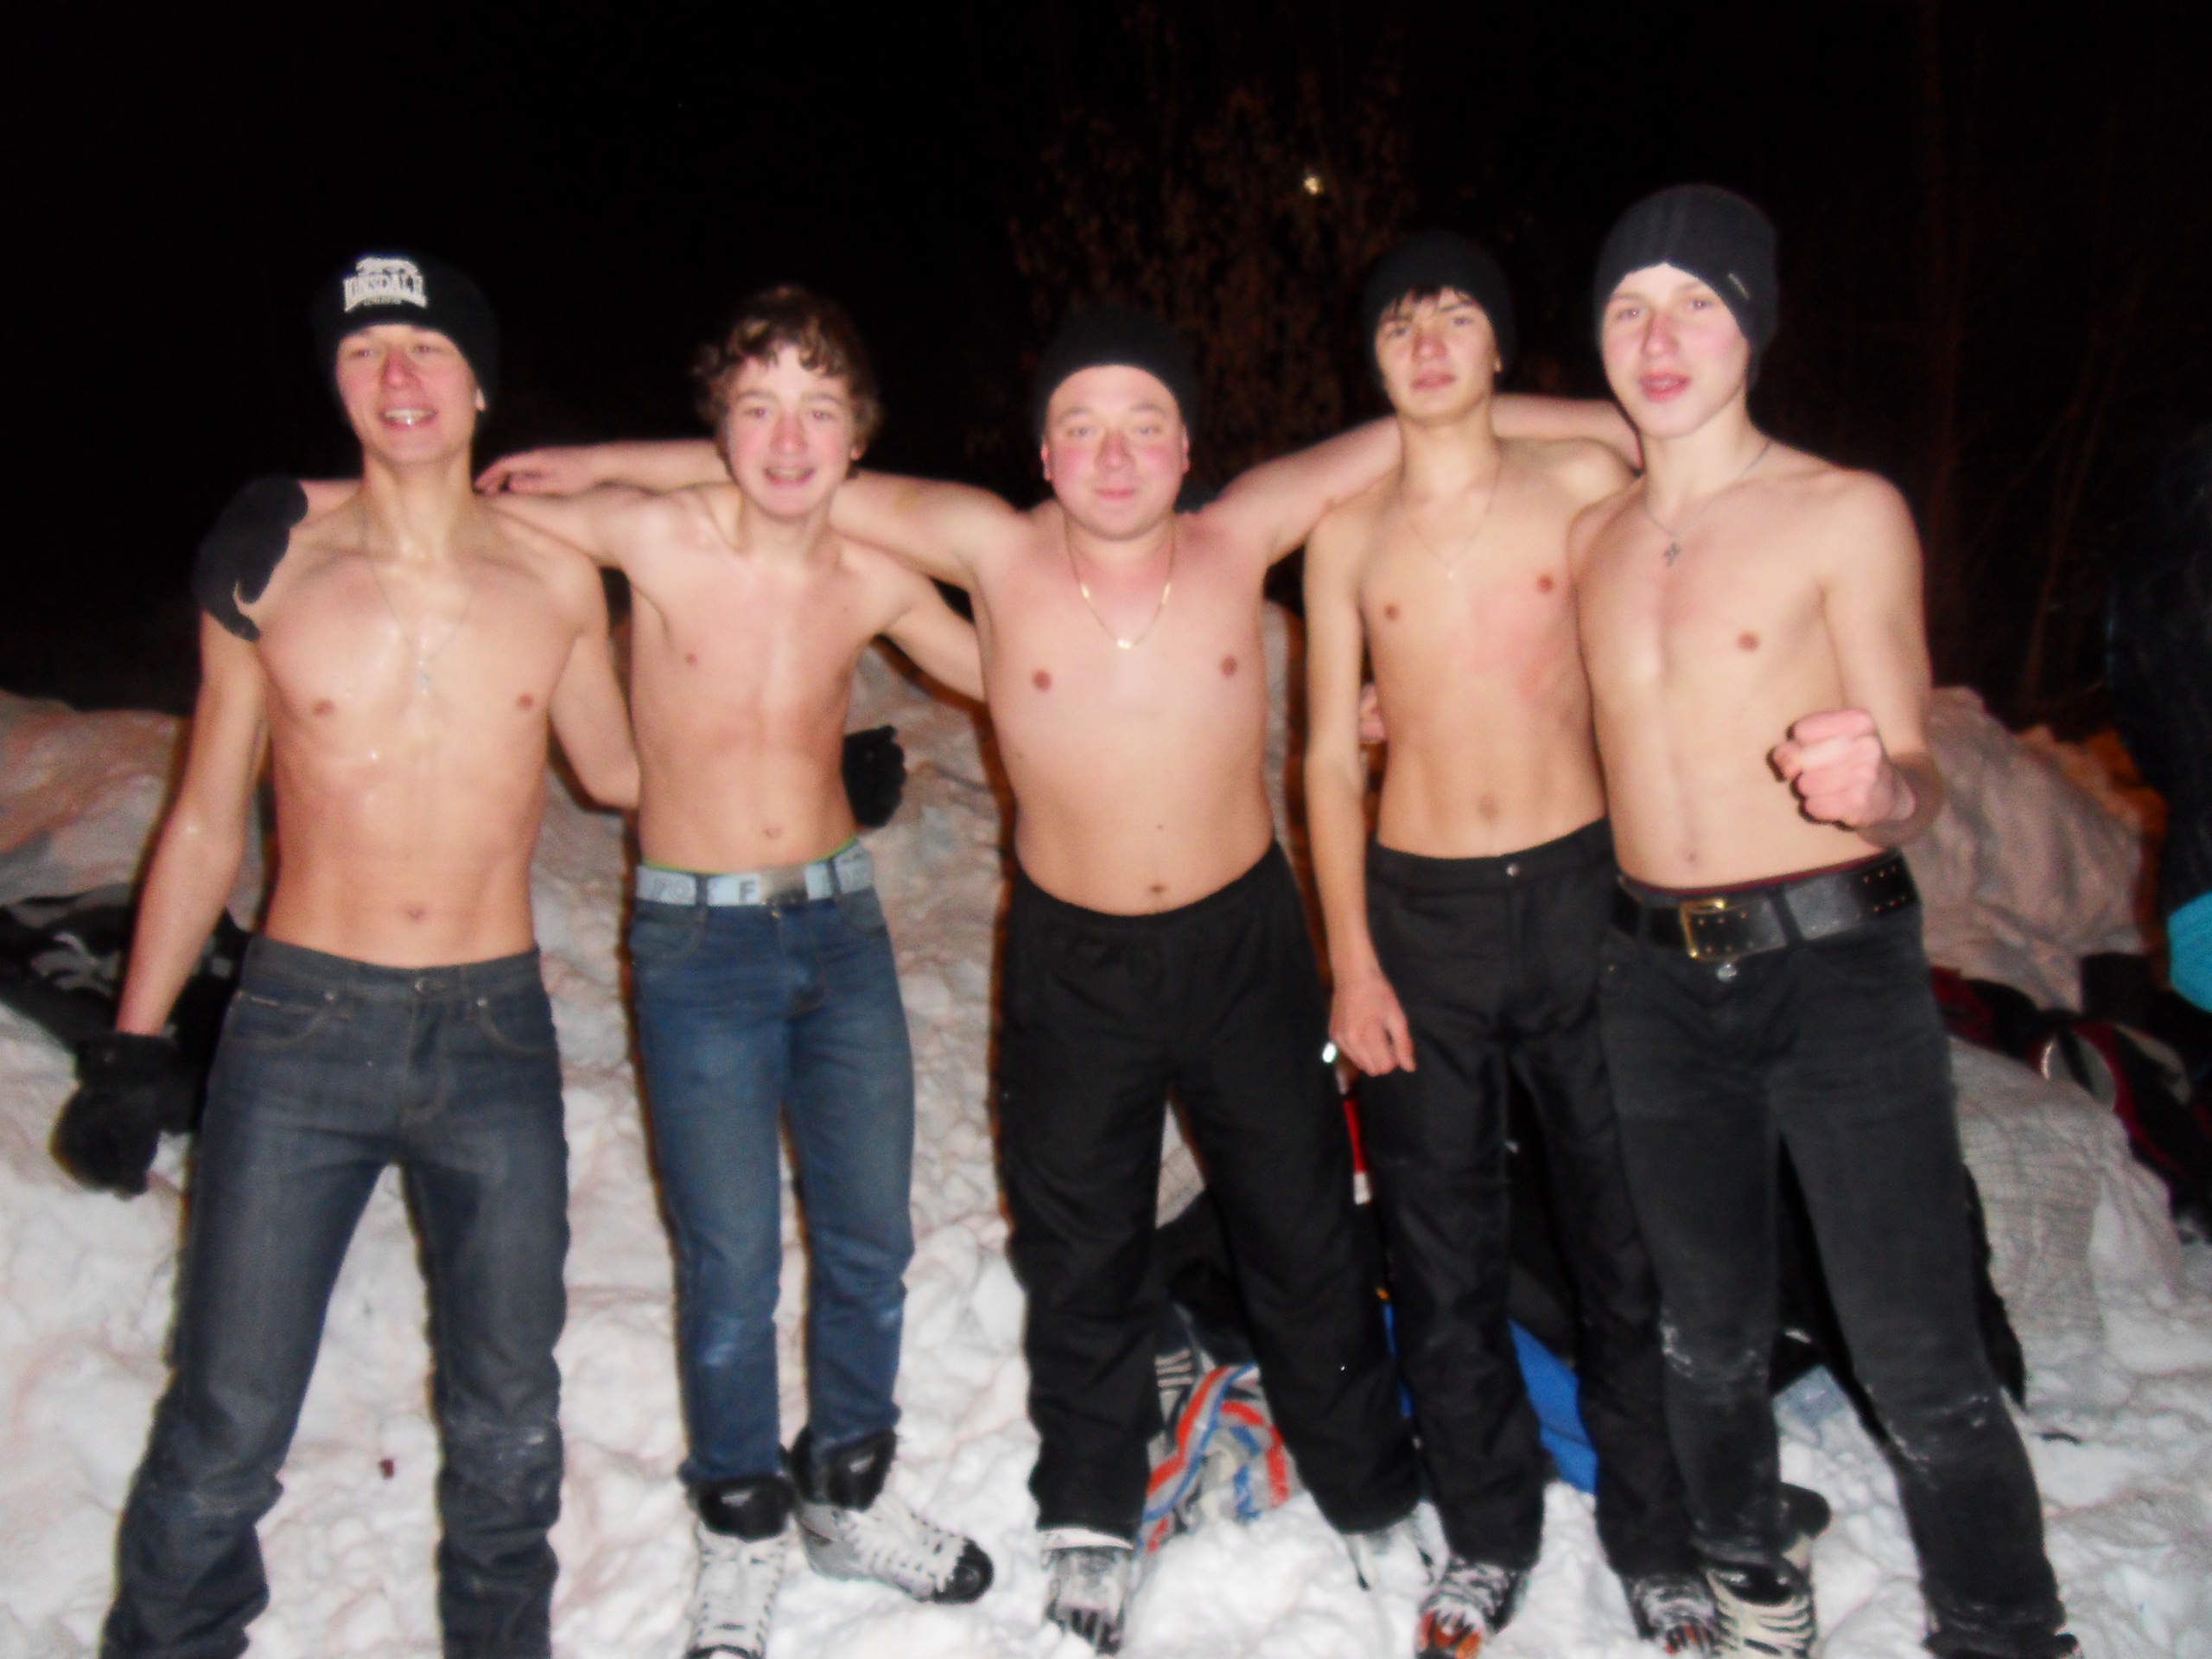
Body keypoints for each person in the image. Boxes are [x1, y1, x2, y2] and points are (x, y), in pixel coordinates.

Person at [481, 316, 1634, 1652]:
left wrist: (1618, 421)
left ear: (1187, 447)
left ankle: (1371, 1487)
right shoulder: (990, 544)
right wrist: (598, 465)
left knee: (1305, 1227)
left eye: (1145, 423)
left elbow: (1419, 420)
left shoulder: (1241, 531)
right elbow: (787, 465)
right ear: (1043, 452)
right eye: (1081, 426)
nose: (1115, 453)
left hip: (1242, 947)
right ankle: (1092, 1503)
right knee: (1080, 1243)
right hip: (1074, 961)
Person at [83, 251, 640, 1659]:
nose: (398, 376)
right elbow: (204, 819)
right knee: (225, 1418)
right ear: (335, 384)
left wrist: (806, 764)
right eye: (363, 350)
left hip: (493, 1033)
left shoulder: (556, 572)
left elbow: (624, 770)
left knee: (511, 1418)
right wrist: (131, 1046)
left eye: (427, 346)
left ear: (481, 381)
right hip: (300, 1030)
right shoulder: (270, 564)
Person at [1570, 185, 2076, 1659]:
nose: (1660, 339)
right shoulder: (1593, 535)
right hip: (1652, 977)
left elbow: (1913, 769)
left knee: (1916, 1352)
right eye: (1628, 308)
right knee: (1704, 1334)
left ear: (1756, 327)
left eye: (1698, 304)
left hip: (1834, 968)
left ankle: (2004, 1628)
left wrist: (1884, 787)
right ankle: (1749, 1576)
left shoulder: (1843, 510)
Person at [483, 287, 992, 1659]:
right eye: (757, 407)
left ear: (858, 435)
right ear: (717, 425)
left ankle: (847, 1492)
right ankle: (740, 1523)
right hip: (698, 944)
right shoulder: (656, 535)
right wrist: (304, 507)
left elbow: (1019, 671)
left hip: (841, 933)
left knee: (872, 1241)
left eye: (818, 411)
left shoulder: (873, 574)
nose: (787, 438)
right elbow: (456, 510)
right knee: (730, 1263)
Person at [1304, 231, 1712, 1657]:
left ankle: (1659, 1534)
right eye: (1399, 325)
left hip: (1586, 896)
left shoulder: (1579, 484)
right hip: (1420, 917)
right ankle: (1488, 1530)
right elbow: (1324, 760)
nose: (1426, 344)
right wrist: (1352, 959)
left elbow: (1655, 425)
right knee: (1440, 1247)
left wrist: (1499, 409)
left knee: (1626, 1235)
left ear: (1500, 343)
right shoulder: (1346, 536)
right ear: (1370, 358)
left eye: (1456, 318)